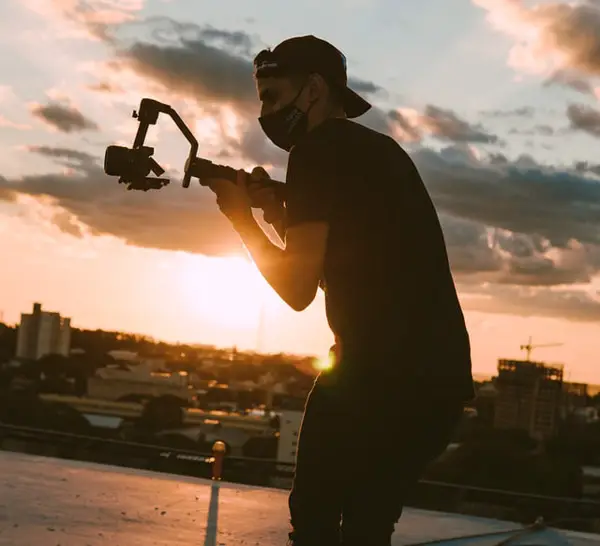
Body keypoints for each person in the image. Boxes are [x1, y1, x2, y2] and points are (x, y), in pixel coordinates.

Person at [206, 35, 474, 546]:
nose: (264, 110)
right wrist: (279, 210)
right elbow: (344, 259)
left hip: (375, 374)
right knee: (369, 525)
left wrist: (241, 218)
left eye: (271, 95)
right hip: (436, 383)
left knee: (315, 515)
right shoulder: (376, 150)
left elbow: (298, 287)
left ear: (311, 90)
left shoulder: (315, 150)